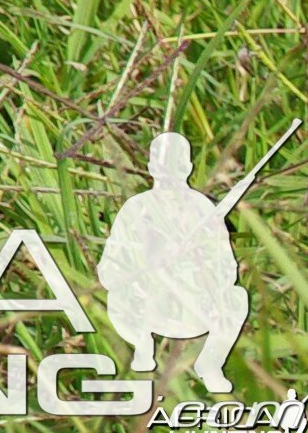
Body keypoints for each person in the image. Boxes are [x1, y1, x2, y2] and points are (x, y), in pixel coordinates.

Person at [99, 129, 254, 400]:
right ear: (150, 167)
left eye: (177, 163)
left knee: (237, 298)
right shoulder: (136, 209)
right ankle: (142, 351)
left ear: (188, 167)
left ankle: (210, 364)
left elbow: (227, 269)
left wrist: (195, 266)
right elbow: (109, 269)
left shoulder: (204, 209)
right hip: (147, 310)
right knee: (115, 298)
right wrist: (145, 270)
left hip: (194, 309)